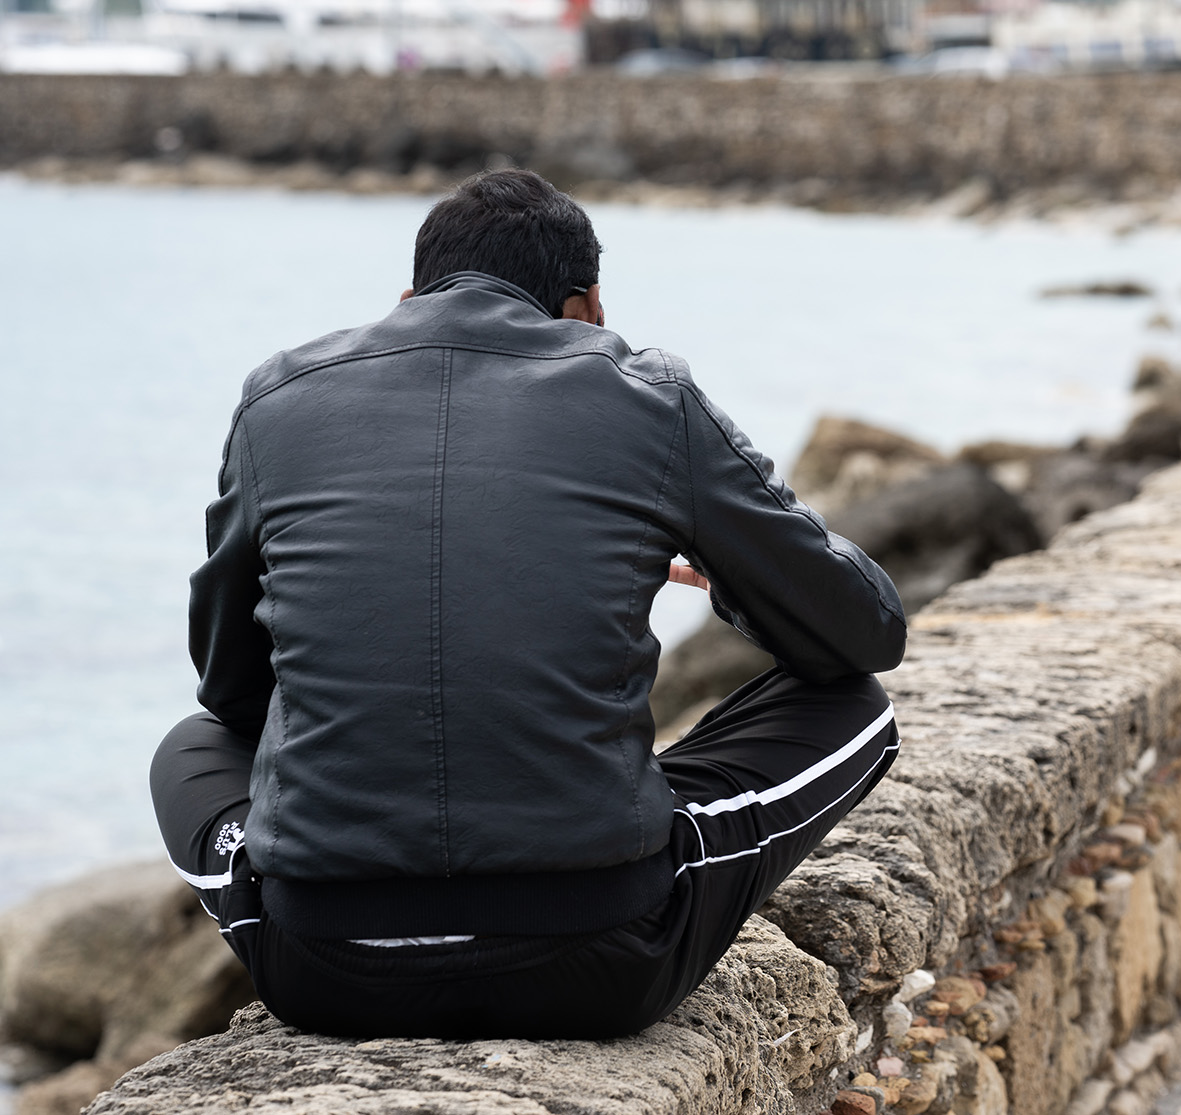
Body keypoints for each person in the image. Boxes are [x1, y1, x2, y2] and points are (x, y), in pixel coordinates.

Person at [150, 168, 906, 1040]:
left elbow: (231, 690)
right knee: (855, 709)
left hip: (324, 965)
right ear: (588, 309)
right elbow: (864, 632)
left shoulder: (274, 400)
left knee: (192, 744)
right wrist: (730, 580)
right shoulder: (650, 393)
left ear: (407, 300)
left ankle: (306, 890)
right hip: (598, 958)